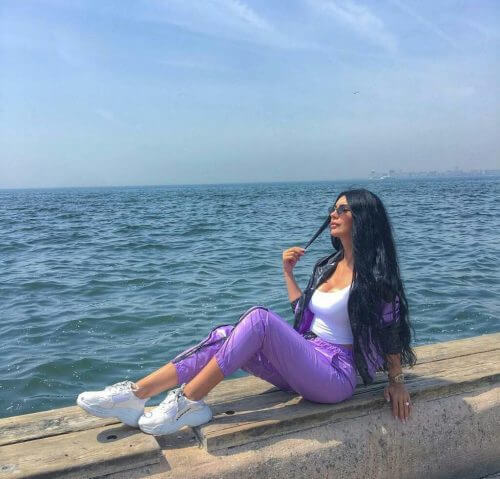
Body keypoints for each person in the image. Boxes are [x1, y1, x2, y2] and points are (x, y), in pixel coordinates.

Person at [77, 188, 416, 436]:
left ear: (363, 218)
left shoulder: (375, 278)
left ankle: (188, 402)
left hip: (335, 375)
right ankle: (135, 396)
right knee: (225, 334)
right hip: (307, 358)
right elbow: (304, 315)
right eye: (333, 208)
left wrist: (397, 381)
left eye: (343, 209)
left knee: (259, 318)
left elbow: (391, 330)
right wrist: (287, 273)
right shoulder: (327, 266)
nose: (333, 214)